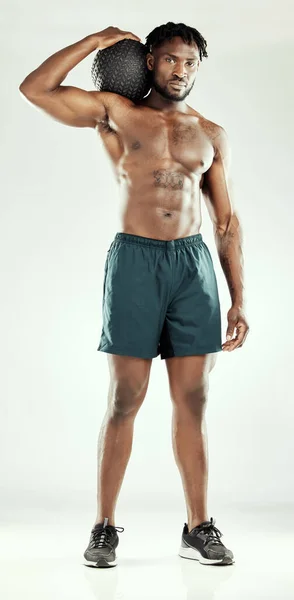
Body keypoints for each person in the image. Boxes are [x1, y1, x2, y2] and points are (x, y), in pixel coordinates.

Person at [19, 21, 249, 568]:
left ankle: (198, 528)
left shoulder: (211, 133)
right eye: (171, 60)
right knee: (126, 397)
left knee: (193, 400)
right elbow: (35, 89)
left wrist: (239, 296)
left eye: (190, 62)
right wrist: (93, 43)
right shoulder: (116, 114)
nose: (181, 71)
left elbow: (226, 221)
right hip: (135, 261)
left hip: (193, 268)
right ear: (150, 60)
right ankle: (103, 527)